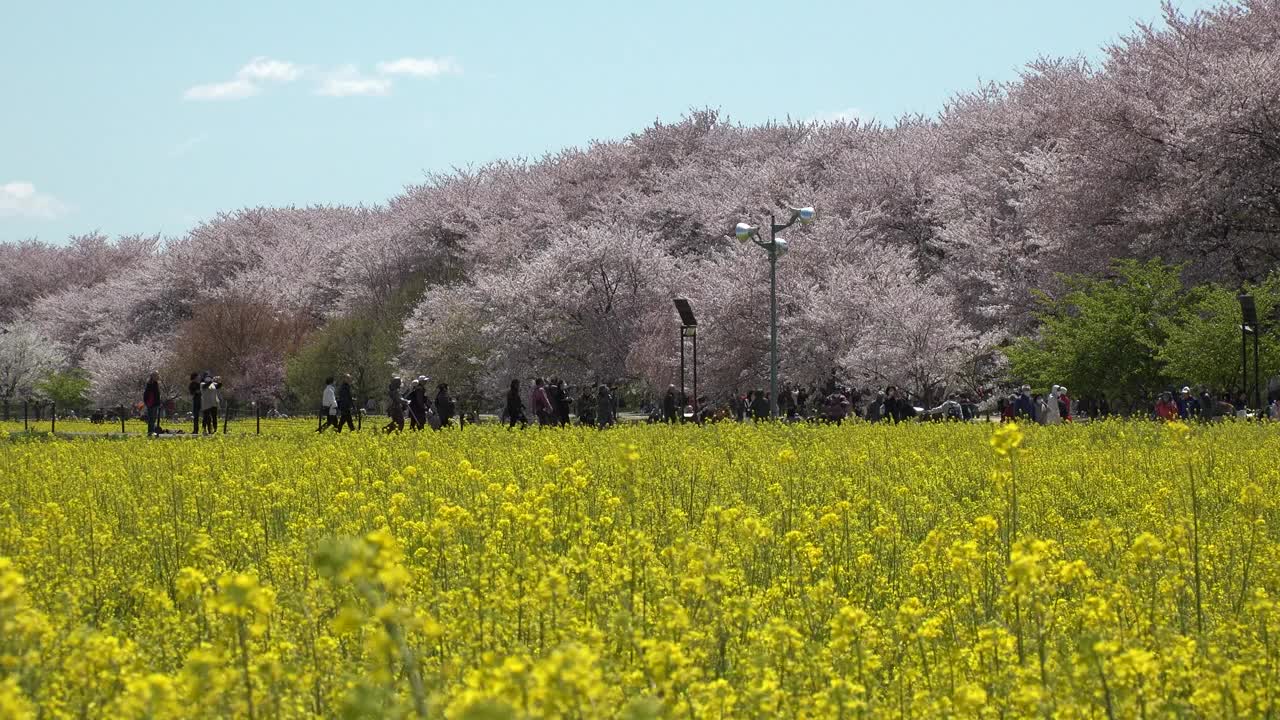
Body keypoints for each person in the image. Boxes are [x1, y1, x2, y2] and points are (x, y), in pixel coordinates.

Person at [143, 371, 162, 436]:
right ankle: (150, 431)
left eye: (157, 375)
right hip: (151, 403)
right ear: (153, 376)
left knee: (153, 418)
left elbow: (157, 395)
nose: (157, 376)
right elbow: (146, 395)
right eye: (156, 375)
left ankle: (152, 431)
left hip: (155, 403)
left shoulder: (156, 383)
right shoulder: (150, 384)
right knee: (151, 418)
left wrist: (159, 403)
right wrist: (147, 402)